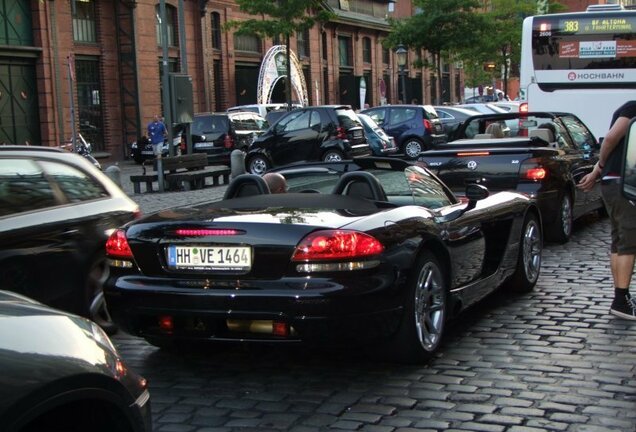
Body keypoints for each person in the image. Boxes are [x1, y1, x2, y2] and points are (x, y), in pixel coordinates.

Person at [578, 100, 636, 320]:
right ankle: (621, 300)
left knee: (620, 241)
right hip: (624, 185)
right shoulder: (634, 108)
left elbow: (612, 146)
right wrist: (600, 167)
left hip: (615, 183)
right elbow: (611, 139)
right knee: (629, 243)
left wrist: (596, 173)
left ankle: (622, 295)